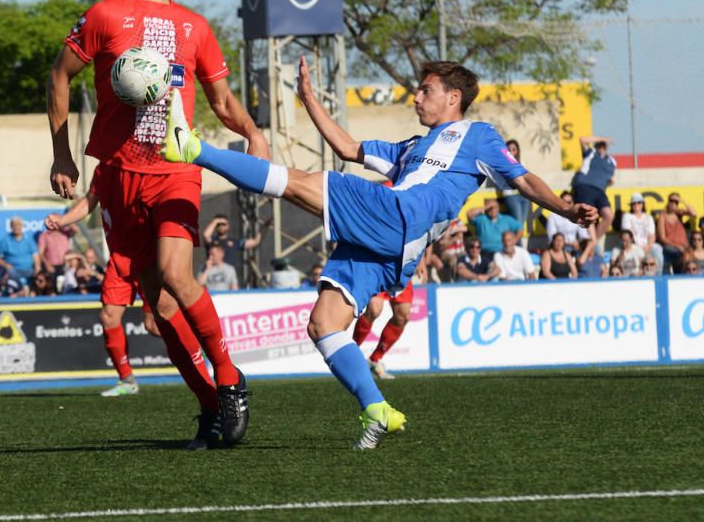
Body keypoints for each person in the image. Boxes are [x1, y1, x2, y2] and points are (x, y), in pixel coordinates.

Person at [162, 55, 597, 448]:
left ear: (454, 97)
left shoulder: (477, 135)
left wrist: (564, 207)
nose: (416, 97)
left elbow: (522, 179)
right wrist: (309, 100)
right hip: (393, 245)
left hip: (399, 215)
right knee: (324, 324)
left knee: (296, 183)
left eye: (426, 90)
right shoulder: (412, 148)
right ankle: (377, 408)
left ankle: (193, 149)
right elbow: (347, 149)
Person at [48, 0, 265, 449]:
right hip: (118, 175)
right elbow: (58, 76)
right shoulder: (105, 15)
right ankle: (210, 407)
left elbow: (222, 100)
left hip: (175, 169)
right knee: (161, 308)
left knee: (175, 271)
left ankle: (230, 377)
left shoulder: (196, 27)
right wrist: (63, 157)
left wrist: (254, 134)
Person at [45, 179, 209, 424]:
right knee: (108, 316)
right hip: (121, 256)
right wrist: (62, 221)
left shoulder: (144, 165)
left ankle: (204, 364)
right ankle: (127, 380)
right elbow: (89, 202)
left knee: (155, 324)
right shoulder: (105, 169)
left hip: (149, 254)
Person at [352, 282, 415, 380]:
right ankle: (349, 354)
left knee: (402, 317)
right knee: (374, 310)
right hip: (378, 268)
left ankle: (374, 360)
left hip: (401, 271)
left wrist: (421, 265)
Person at [570, 135, 617, 246]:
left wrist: (609, 182)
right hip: (585, 186)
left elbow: (610, 178)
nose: (601, 147)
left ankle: (592, 245)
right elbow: (582, 140)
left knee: (608, 215)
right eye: (599, 144)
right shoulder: (590, 153)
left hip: (600, 190)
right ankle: (592, 245)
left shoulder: (611, 161)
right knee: (588, 215)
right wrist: (602, 138)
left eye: (603, 145)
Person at [621, 192, 663, 273]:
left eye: (639, 202)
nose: (636, 205)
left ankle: (659, 276)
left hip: (648, 246)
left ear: (642, 204)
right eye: (634, 203)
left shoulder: (649, 217)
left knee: (658, 252)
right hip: (633, 245)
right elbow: (627, 236)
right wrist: (639, 248)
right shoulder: (627, 217)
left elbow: (652, 235)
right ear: (631, 205)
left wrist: (648, 246)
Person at [499, 140, 532, 242]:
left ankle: (517, 246)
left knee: (521, 224)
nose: (512, 152)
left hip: (524, 196)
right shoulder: (503, 164)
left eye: (514, 149)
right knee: (518, 224)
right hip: (511, 195)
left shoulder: (522, 164)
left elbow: (526, 180)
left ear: (517, 151)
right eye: (509, 150)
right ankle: (518, 246)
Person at [0, 217, 40, 284]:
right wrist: (6, 265)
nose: (16, 227)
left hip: (29, 270)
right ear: (11, 226)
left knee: (41, 278)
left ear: (22, 226)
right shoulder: (6, 240)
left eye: (18, 225)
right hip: (13, 270)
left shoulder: (29, 239)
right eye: (14, 225)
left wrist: (37, 267)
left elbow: (35, 254)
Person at [202, 214, 266, 267]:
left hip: (228, 275)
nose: (221, 226)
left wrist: (264, 227)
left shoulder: (234, 242)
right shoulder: (212, 240)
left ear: (228, 226)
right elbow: (205, 235)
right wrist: (215, 221)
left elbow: (255, 241)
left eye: (223, 224)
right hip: (213, 274)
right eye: (218, 224)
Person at [545, 191, 595, 256]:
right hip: (560, 247)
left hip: (575, 247)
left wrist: (584, 244)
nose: (566, 204)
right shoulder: (553, 216)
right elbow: (552, 239)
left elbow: (584, 236)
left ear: (573, 203)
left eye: (569, 202)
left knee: (593, 247)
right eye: (564, 202)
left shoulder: (577, 215)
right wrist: (569, 244)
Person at [656, 193, 694, 274]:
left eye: (676, 202)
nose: (674, 204)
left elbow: (694, 213)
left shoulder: (679, 213)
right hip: (671, 246)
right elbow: (662, 238)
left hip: (684, 246)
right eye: (672, 201)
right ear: (668, 202)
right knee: (682, 256)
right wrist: (677, 246)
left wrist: (682, 201)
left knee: (689, 256)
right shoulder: (663, 216)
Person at [38, 221, 76, 288]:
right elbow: (40, 253)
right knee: (52, 283)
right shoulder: (44, 235)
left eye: (56, 222)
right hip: (52, 266)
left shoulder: (66, 232)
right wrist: (47, 265)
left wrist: (67, 219)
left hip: (66, 264)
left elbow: (75, 229)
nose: (54, 224)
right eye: (52, 222)